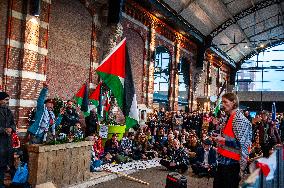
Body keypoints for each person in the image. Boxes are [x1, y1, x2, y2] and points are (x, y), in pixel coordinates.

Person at [213, 92, 252, 188]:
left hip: (232, 163)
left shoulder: (239, 119)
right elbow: (228, 136)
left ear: (234, 102)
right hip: (223, 160)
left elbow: (243, 145)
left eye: (226, 102)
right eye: (222, 102)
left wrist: (222, 140)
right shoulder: (228, 117)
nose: (223, 105)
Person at [0, 92, 16, 188]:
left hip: (7, 142)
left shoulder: (9, 111)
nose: (7, 102)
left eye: (8, 100)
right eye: (5, 100)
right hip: (0, 141)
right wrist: (3, 130)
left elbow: (13, 123)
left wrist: (11, 128)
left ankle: (4, 183)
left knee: (6, 163)